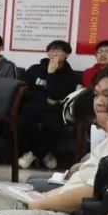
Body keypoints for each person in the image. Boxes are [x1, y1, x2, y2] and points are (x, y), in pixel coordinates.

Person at [0, 70, 108, 215]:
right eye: (96, 94)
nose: (98, 102)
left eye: (107, 96)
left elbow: (90, 193)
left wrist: (43, 203)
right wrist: (44, 198)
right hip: (65, 206)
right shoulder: (106, 141)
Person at [18, 40, 78, 170]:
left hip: (55, 108)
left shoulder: (70, 75)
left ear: (66, 54)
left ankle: (35, 154)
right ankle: (43, 154)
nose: (54, 53)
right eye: (51, 50)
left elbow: (58, 95)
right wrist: (46, 99)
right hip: (35, 104)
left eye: (58, 50)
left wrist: (51, 74)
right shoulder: (35, 69)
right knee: (24, 122)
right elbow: (25, 89)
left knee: (52, 125)